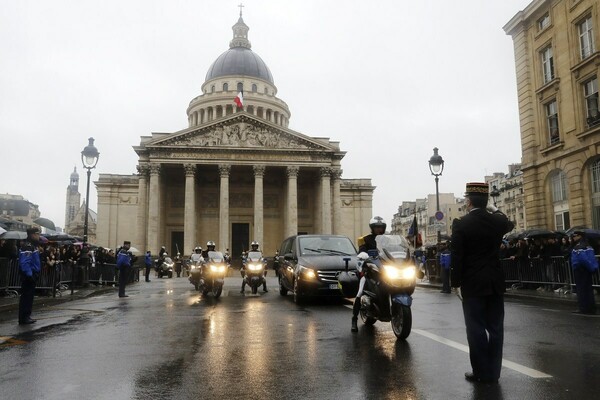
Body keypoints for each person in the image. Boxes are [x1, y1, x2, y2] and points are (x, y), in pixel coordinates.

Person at [450, 182, 514, 384]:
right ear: (486, 202)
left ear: (468, 201)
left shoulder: (461, 223)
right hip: (495, 281)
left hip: (472, 283)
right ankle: (493, 373)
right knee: (496, 328)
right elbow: (507, 222)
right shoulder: (497, 222)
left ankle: (480, 371)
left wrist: (455, 282)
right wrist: (493, 208)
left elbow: (457, 256)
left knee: (476, 329)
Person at [351, 216, 386, 332]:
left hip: (384, 270)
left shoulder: (387, 239)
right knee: (360, 291)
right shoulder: (365, 239)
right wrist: (363, 255)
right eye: (377, 227)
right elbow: (361, 251)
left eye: (381, 227)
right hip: (369, 270)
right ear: (372, 228)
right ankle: (354, 319)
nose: (379, 229)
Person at [18, 227, 42, 325]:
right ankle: (24, 317)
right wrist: (29, 275)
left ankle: (26, 316)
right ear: (32, 235)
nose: (38, 236)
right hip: (29, 275)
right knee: (26, 297)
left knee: (29, 297)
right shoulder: (28, 246)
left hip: (31, 274)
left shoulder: (31, 245)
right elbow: (25, 263)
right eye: (37, 234)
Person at [570, 231, 598, 315]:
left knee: (581, 290)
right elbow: (592, 258)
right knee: (588, 289)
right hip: (587, 269)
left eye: (575, 236)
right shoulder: (588, 245)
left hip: (581, 269)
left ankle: (583, 308)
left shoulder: (579, 246)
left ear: (580, 236)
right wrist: (593, 268)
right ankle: (591, 308)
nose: (573, 238)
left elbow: (583, 259)